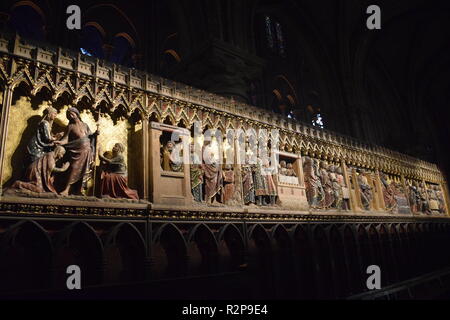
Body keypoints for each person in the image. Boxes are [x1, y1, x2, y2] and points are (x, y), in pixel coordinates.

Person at [55, 107, 98, 196]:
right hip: (76, 150)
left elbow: (90, 136)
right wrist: (60, 142)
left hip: (87, 150)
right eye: (69, 115)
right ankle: (66, 190)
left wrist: (95, 134)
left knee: (85, 170)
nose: (71, 116)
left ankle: (79, 190)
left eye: (72, 113)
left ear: (77, 114)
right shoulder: (70, 127)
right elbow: (66, 139)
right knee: (73, 168)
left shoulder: (85, 125)